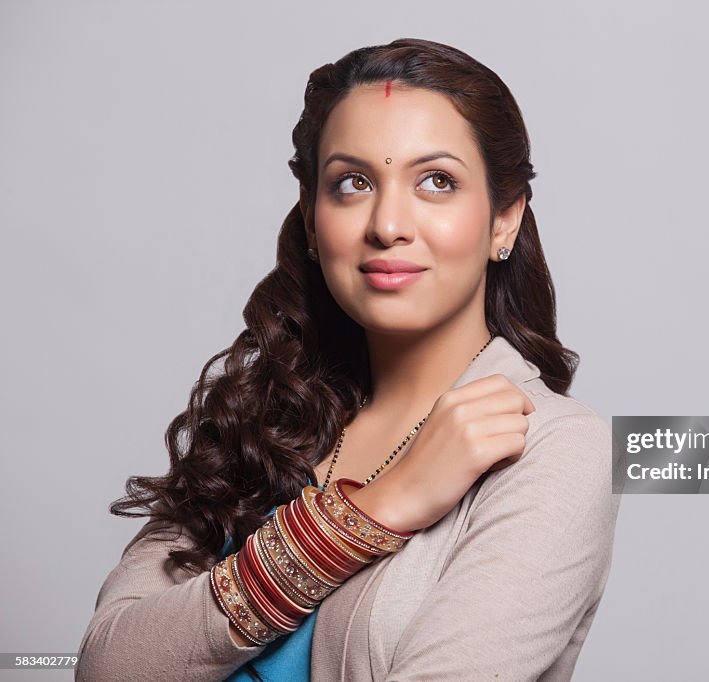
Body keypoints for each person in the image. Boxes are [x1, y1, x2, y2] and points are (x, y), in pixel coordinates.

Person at [77, 37, 619, 681]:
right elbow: (108, 666)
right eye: (353, 182)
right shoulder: (262, 418)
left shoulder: (555, 449)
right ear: (311, 219)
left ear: (504, 221)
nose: (388, 223)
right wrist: (371, 512)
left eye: (436, 181)